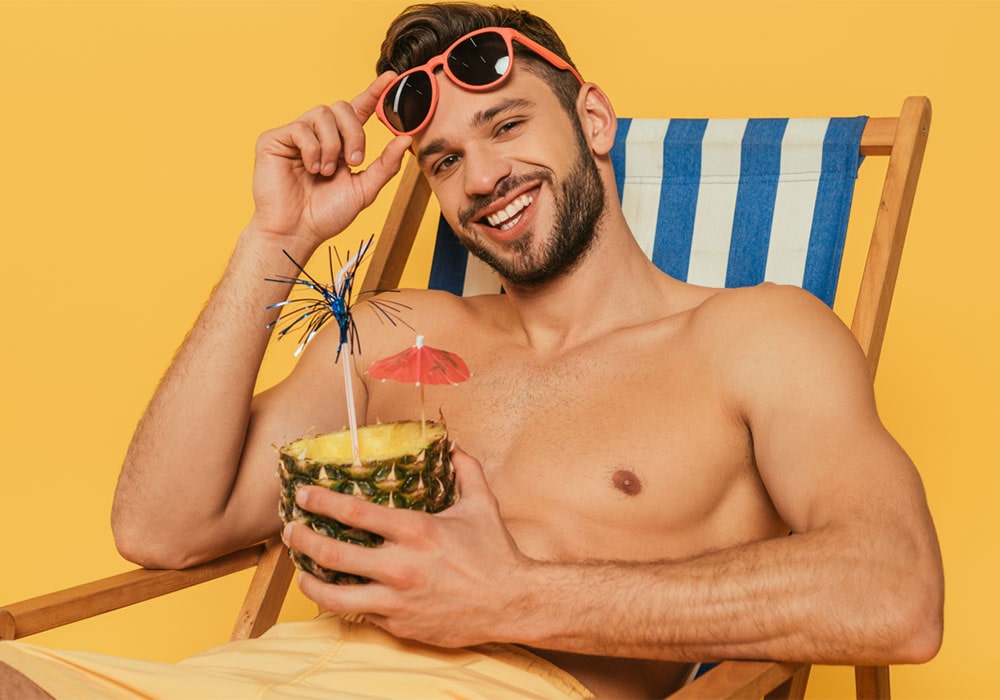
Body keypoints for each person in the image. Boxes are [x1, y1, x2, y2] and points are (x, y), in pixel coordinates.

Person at [0, 2, 943, 698]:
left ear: (595, 121)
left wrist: (512, 597)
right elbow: (161, 528)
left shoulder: (755, 338)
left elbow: (895, 591)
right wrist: (274, 242)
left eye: (506, 124)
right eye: (444, 160)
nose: (481, 178)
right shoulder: (397, 329)